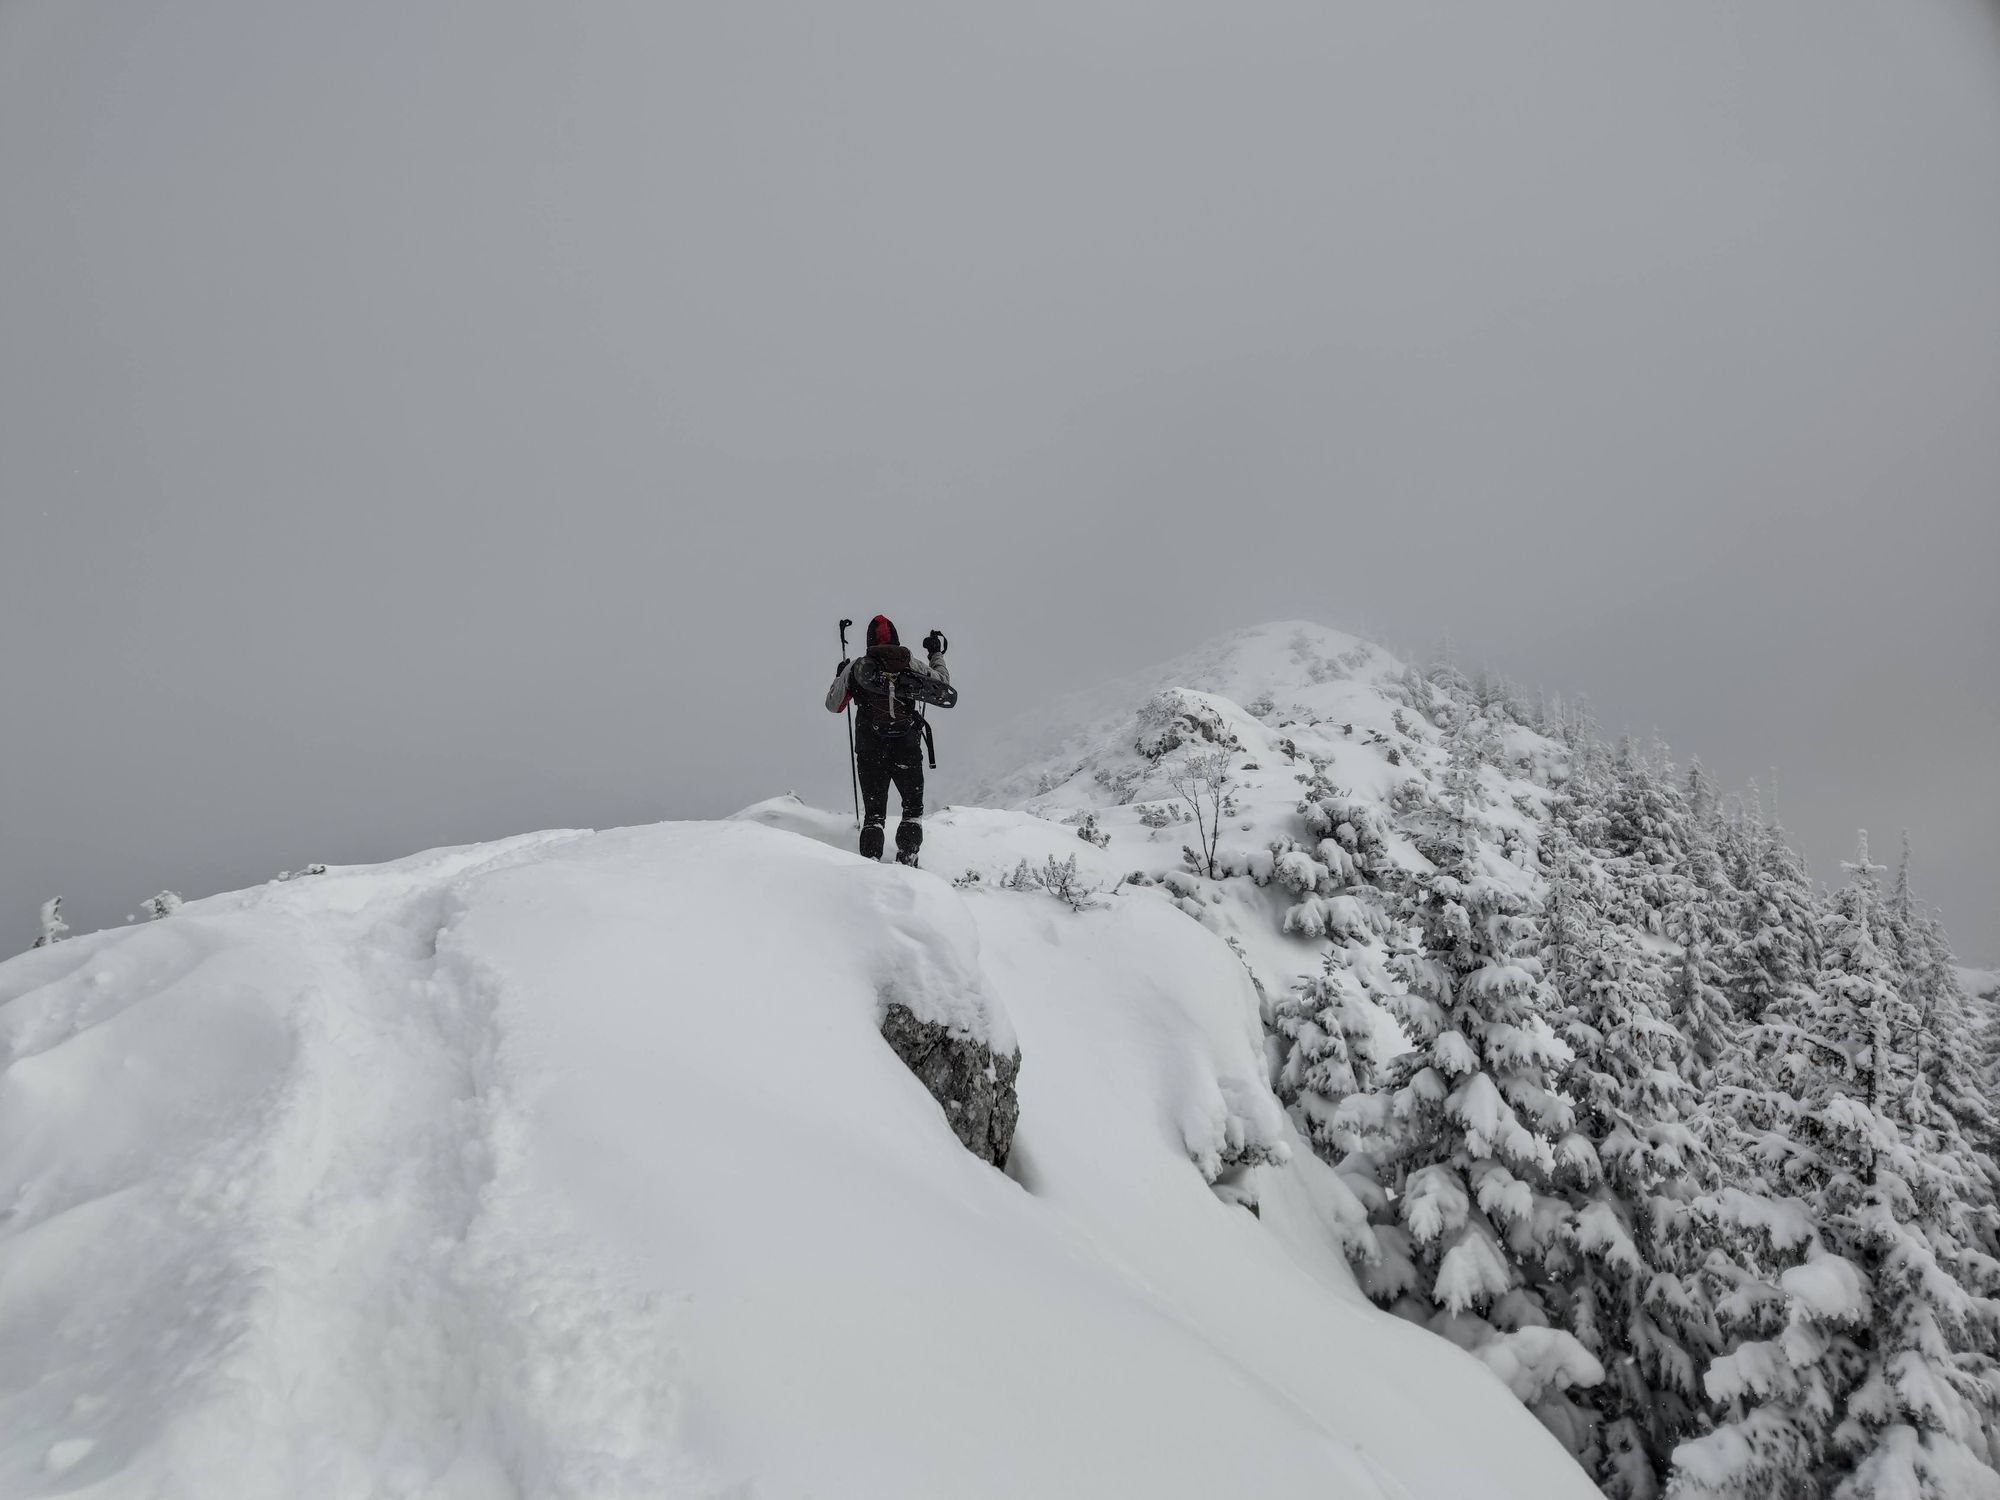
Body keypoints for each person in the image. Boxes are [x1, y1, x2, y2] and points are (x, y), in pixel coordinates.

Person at [825, 616, 954, 865]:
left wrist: (839, 675)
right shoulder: (911, 664)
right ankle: (908, 858)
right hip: (906, 747)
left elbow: (833, 705)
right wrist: (935, 653)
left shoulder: (857, 668)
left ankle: (870, 867)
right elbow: (943, 685)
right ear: (896, 637)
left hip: (869, 749)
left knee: (873, 816)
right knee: (912, 811)